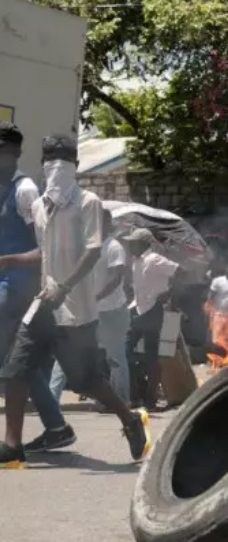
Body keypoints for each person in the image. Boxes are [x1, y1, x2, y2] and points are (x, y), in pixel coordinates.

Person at [0, 135, 150, 466]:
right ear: (42, 165)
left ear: (76, 167)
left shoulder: (89, 203)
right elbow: (45, 252)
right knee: (13, 370)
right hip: (43, 305)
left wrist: (65, 286)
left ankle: (130, 419)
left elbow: (93, 249)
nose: (55, 169)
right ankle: (12, 445)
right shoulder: (39, 206)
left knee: (85, 380)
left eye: (62, 162)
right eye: (50, 161)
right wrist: (10, 260)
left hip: (76, 310)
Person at [0, 123, 72, 453]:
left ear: (13, 152)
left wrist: (8, 261)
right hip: (6, 287)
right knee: (18, 362)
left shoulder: (25, 189)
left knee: (14, 363)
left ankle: (25, 437)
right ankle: (56, 426)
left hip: (19, 289)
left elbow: (48, 248)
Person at [48, 208, 131, 412]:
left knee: (115, 358)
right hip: (84, 311)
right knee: (68, 353)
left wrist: (93, 298)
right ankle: (51, 399)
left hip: (110, 311)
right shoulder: (84, 247)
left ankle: (122, 402)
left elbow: (115, 278)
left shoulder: (114, 247)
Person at [125, 228, 180, 411]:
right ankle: (136, 394)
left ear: (144, 243)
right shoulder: (136, 261)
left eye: (133, 242)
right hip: (137, 309)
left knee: (150, 356)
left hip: (152, 311)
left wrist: (169, 292)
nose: (130, 245)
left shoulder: (155, 259)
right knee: (125, 353)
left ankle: (149, 400)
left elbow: (180, 271)